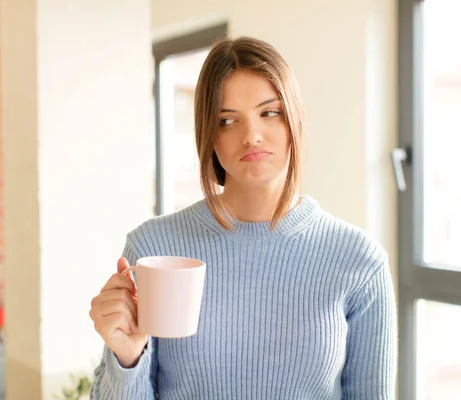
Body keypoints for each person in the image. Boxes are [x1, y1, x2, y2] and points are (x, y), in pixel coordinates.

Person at [88, 35, 397, 399]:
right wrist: (127, 357)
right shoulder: (154, 248)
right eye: (227, 120)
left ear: (293, 119)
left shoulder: (360, 260)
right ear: (209, 137)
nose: (251, 136)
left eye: (269, 112)